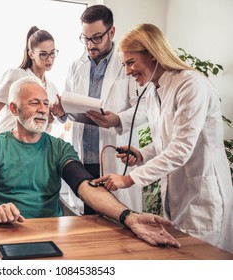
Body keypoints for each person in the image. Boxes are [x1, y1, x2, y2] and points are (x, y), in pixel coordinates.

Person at [0, 76, 181, 249]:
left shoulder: (59, 148)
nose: (42, 109)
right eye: (34, 102)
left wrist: (129, 217)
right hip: (1, 234)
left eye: (45, 103)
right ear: (14, 109)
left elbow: (86, 186)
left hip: (48, 235)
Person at [96, 23, 233, 253]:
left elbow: (180, 148)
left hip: (204, 197)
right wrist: (142, 154)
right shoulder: (153, 91)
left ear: (151, 53)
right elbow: (165, 141)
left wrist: (130, 179)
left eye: (130, 63)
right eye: (124, 65)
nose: (128, 72)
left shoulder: (191, 85)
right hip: (178, 195)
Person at [52, 5, 148, 215]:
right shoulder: (76, 66)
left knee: (118, 222)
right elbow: (68, 108)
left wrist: (117, 120)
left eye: (96, 38)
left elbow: (145, 108)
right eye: (85, 38)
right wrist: (61, 113)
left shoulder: (127, 64)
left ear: (111, 32)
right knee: (86, 223)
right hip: (82, 160)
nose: (90, 45)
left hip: (114, 155)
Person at [0, 26, 59, 142]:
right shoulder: (16, 75)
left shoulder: (52, 89)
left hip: (34, 149)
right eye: (43, 54)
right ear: (31, 54)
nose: (49, 59)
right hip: (8, 143)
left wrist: (49, 119)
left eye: (52, 53)